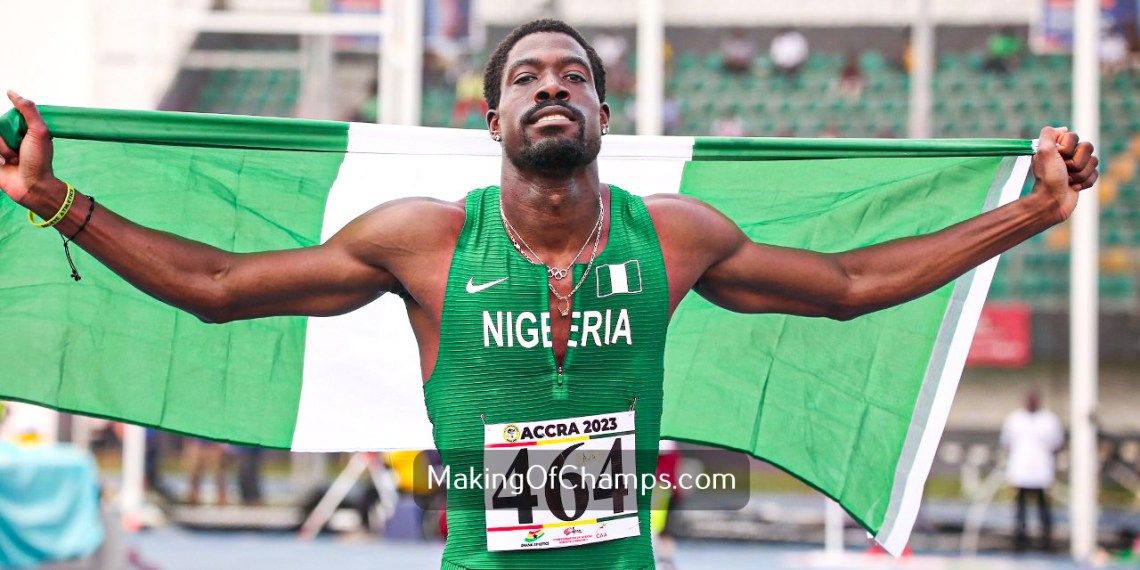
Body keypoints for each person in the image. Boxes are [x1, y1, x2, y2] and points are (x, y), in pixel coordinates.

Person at [0, 18, 1099, 569]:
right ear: (493, 123)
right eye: (526, 77)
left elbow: (852, 284)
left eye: (574, 75)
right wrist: (56, 201)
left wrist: (1032, 214)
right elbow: (222, 286)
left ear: (603, 118)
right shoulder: (423, 242)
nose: (552, 87)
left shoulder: (677, 237)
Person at [1000, 390, 1064, 552]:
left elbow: (1057, 443)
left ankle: (1046, 539)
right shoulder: (1014, 419)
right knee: (1020, 508)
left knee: (1043, 507)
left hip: (1042, 470)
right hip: (1020, 470)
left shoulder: (1049, 420)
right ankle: (1020, 539)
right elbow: (1006, 443)